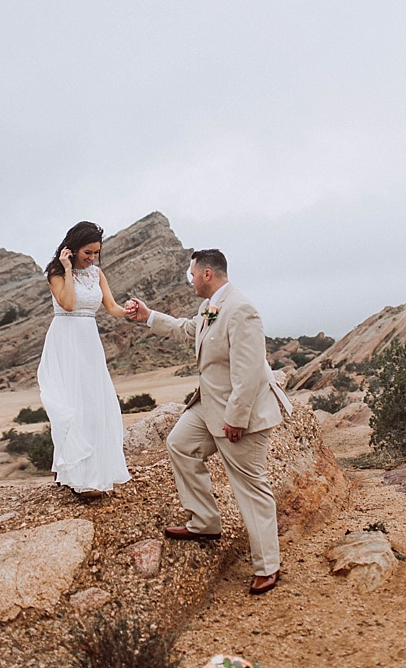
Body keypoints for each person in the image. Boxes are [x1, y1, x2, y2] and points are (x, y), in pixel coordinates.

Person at [124, 249, 293, 595]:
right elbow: (188, 330)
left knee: (251, 488)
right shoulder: (210, 307)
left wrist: (236, 419)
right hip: (209, 406)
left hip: (239, 414)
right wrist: (148, 316)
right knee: (179, 444)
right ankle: (204, 522)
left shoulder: (242, 310)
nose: (189, 281)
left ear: (206, 275)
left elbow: (247, 373)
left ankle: (268, 567)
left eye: (191, 275)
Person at [36, 221, 133, 496]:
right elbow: (67, 303)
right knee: (71, 404)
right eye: (87, 252)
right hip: (65, 339)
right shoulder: (56, 271)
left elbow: (111, 307)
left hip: (89, 342)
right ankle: (72, 473)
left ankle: (90, 472)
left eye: (96, 253)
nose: (91, 258)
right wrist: (67, 269)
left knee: (93, 402)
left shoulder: (97, 274)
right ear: (73, 248)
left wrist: (131, 311)